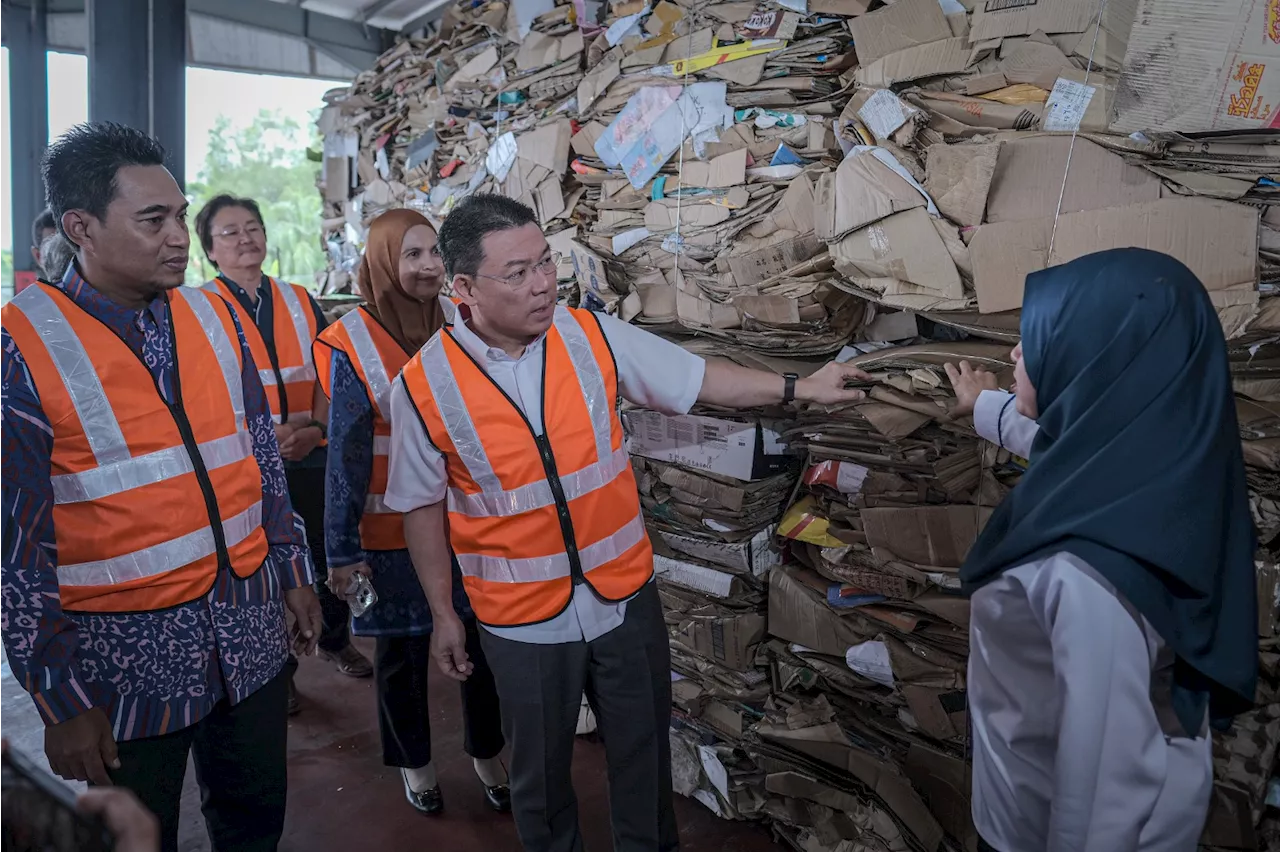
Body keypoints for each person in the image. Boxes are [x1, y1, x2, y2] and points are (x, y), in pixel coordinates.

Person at [385, 194, 870, 852]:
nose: (542, 283)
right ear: (463, 287)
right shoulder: (423, 387)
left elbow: (698, 378)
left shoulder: (589, 336)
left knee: (643, 763)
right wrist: (443, 612)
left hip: (623, 599)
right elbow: (420, 505)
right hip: (522, 619)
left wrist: (802, 389)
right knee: (541, 780)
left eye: (546, 262)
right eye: (519, 271)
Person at [0, 122, 323, 852]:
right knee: (141, 835)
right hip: (125, 660)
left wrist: (294, 570)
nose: (180, 236)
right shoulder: (23, 347)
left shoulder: (215, 316)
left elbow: (262, 460)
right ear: (80, 226)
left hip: (247, 631)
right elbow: (15, 550)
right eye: (154, 220)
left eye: (181, 214)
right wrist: (57, 699)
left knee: (253, 820)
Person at [946, 248, 1257, 852]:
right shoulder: (1166, 476)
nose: (1014, 353)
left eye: (1036, 338)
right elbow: (1075, 450)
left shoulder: (1085, 573)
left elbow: (1107, 794)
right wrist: (986, 407)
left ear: (1098, 358)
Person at [312, 208, 509, 815]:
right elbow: (344, 455)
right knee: (402, 657)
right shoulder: (351, 342)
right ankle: (416, 765)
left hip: (468, 524)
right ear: (381, 262)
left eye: (435, 253)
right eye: (412, 255)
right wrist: (341, 552)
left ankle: (487, 752)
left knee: (479, 644)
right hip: (388, 531)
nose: (428, 267)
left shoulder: (462, 322)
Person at [194, 195, 373, 708]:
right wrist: (261, 441)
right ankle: (283, 664)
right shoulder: (198, 309)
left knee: (325, 547)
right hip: (247, 463)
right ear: (209, 249)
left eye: (253, 227)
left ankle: (336, 640)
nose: (245, 238)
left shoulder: (297, 298)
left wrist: (316, 428)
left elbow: (325, 374)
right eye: (230, 232)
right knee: (266, 560)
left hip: (312, 451)